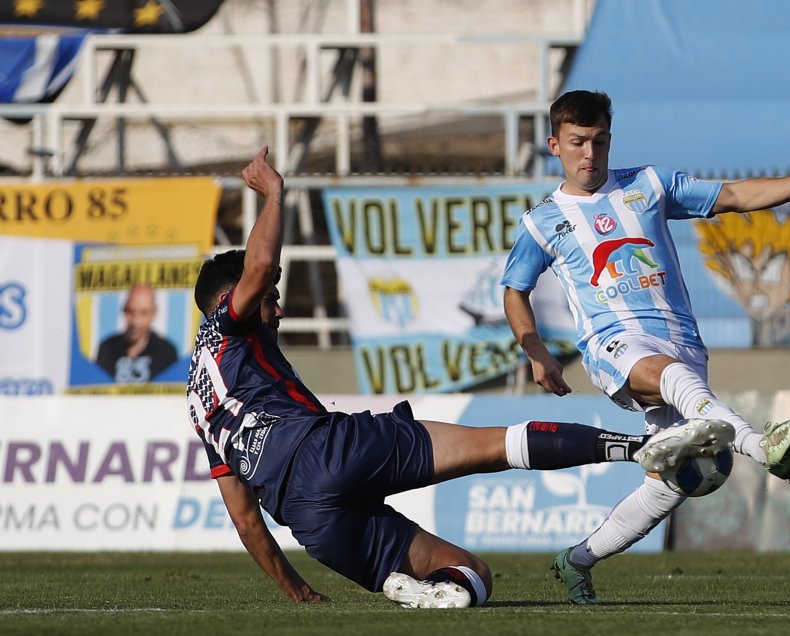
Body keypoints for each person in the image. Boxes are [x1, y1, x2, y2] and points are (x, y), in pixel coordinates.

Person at [185, 147, 734, 608]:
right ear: (229, 303)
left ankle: (424, 594)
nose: (276, 312)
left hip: (307, 518)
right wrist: (274, 195)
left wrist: (300, 595)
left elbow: (245, 517)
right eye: (270, 302)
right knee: (496, 447)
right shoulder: (227, 327)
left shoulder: (197, 401)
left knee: (469, 574)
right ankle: (642, 448)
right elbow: (258, 269)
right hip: (332, 449)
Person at [501, 90, 790, 604]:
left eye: (599, 141)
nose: (590, 153)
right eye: (578, 142)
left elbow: (731, 196)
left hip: (681, 338)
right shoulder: (542, 222)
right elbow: (515, 290)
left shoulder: (649, 185)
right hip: (613, 344)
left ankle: (577, 560)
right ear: (555, 144)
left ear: (609, 140)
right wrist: (535, 350)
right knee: (669, 378)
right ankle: (761, 446)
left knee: (671, 484)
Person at [96, 283, 178, 383]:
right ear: (124, 311)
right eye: (131, 312)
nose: (135, 321)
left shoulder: (166, 352)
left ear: (153, 314)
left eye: (143, 313)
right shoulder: (107, 349)